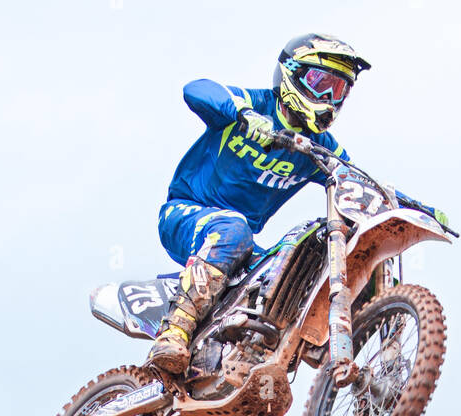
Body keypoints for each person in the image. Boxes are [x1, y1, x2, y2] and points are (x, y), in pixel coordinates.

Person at [147, 34, 372, 379]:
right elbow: (197, 88)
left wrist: (402, 206)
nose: (328, 98)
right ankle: (173, 332)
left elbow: (356, 180)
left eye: (338, 90)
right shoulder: (254, 105)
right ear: (291, 76)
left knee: (292, 277)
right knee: (233, 229)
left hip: (242, 244)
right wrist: (242, 114)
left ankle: (255, 379)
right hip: (186, 214)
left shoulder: (321, 147)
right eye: (321, 83)